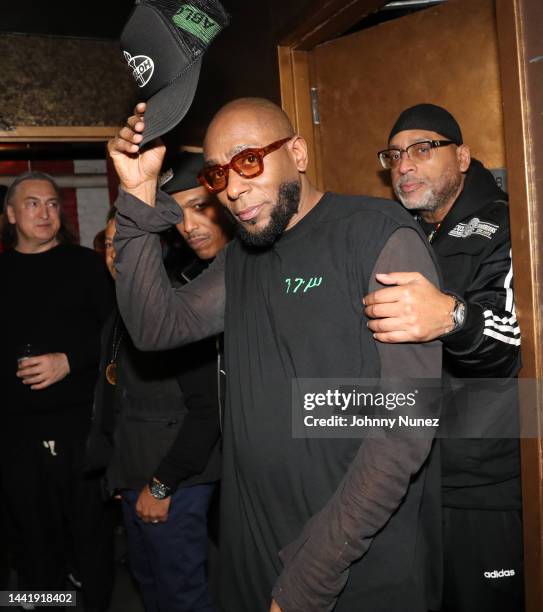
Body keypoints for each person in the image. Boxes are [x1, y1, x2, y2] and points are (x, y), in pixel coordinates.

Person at [108, 98, 443, 612]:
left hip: (347, 564)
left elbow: (403, 430)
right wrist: (135, 195)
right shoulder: (240, 258)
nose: (232, 189)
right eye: (218, 174)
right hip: (253, 551)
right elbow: (155, 327)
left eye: (248, 160)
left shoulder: (375, 233)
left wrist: (312, 576)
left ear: (298, 152)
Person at [366, 103, 523, 612]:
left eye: (421, 148)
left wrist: (453, 317)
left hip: (480, 485)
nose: (404, 164)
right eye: (394, 155)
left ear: (462, 156)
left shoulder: (507, 225)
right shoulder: (397, 233)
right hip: (408, 474)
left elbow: (511, 345)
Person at [91, 152, 231, 612]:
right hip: (142, 477)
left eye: (128, 243)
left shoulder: (181, 300)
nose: (120, 255)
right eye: (112, 245)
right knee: (153, 588)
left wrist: (162, 483)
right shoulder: (123, 309)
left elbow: (206, 408)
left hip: (181, 479)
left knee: (183, 596)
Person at [0, 171, 114, 610]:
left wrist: (70, 360)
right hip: (17, 438)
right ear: (11, 214)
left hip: (80, 430)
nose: (45, 212)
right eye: (32, 204)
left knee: (91, 539)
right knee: (31, 542)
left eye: (52, 203)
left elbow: (115, 336)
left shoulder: (86, 265)